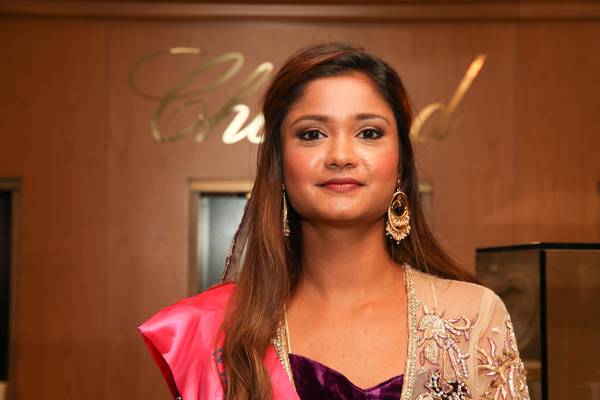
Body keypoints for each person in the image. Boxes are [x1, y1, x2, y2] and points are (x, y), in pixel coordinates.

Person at [138, 42, 530, 400]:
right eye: (312, 134)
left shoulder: (472, 315)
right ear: (279, 163)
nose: (341, 155)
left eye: (368, 132)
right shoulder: (220, 332)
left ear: (400, 162)